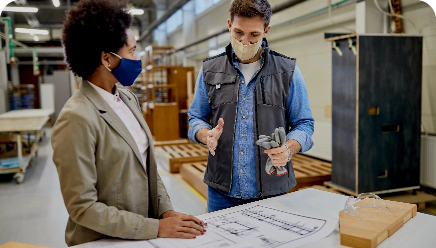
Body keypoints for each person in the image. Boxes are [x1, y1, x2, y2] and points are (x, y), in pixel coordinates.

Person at [52, 0, 205, 246]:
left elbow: (148, 168)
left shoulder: (127, 98)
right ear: (107, 59)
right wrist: (154, 227)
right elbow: (82, 207)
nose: (137, 58)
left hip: (140, 235)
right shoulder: (76, 118)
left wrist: (165, 211)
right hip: (105, 241)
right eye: (132, 51)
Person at [188, 0, 315, 213]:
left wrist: (289, 149)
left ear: (266, 31)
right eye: (238, 32)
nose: (245, 42)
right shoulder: (210, 70)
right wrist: (205, 134)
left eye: (254, 35)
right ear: (229, 25)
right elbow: (195, 117)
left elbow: (304, 124)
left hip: (272, 190)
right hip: (221, 192)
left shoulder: (287, 71)